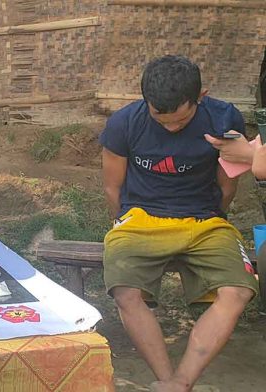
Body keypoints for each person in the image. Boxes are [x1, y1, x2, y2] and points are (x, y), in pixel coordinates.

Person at [99, 55, 258, 392]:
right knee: (125, 291)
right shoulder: (123, 124)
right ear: (146, 101)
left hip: (205, 219)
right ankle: (168, 380)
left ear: (201, 96)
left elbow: (228, 184)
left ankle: (181, 382)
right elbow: (113, 186)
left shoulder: (224, 118)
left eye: (181, 121)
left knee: (238, 290)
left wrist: (214, 215)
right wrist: (122, 222)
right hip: (141, 218)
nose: (170, 127)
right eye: (161, 119)